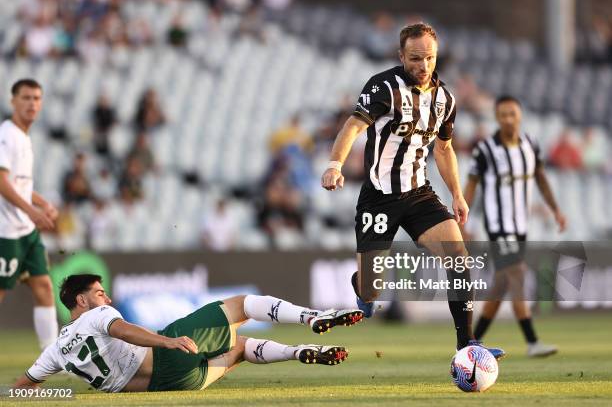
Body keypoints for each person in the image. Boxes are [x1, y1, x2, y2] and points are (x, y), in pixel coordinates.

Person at [320, 23, 504, 358]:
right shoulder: (384, 87)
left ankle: (467, 344)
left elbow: (444, 150)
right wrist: (335, 164)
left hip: (419, 194)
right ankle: (361, 287)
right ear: (401, 56)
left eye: (429, 58)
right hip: (379, 197)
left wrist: (458, 195)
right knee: (371, 292)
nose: (423, 65)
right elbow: (353, 126)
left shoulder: (445, 100)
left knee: (459, 260)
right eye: (415, 58)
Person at [14, 274, 363, 392]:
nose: (106, 296)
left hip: (169, 386)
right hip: (168, 353)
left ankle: (296, 351)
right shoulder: (97, 314)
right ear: (82, 300)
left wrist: (47, 396)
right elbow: (126, 331)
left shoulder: (56, 350)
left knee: (240, 348)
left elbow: (23, 387)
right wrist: (167, 340)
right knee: (241, 305)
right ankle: (312, 317)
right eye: (99, 292)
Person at [463, 95, 566, 357]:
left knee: (501, 285)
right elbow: (472, 183)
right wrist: (462, 217)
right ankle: (532, 342)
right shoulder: (485, 149)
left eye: (513, 113)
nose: (508, 119)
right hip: (499, 226)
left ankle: (470, 341)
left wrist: (555, 209)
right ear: (497, 118)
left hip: (521, 226)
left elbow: (541, 177)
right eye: (503, 114)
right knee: (517, 274)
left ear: (520, 116)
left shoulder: (530, 144)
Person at [0, 79, 59, 349]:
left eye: (36, 98)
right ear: (13, 102)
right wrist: (33, 212)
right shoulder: (7, 134)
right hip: (7, 232)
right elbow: (1, 182)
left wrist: (42, 203)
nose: (32, 103)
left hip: (26, 231)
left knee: (44, 287)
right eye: (26, 98)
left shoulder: (24, 136)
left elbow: (20, 183)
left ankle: (53, 357)